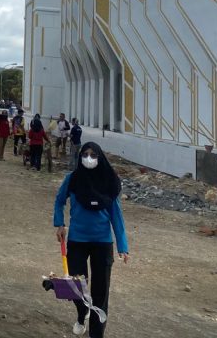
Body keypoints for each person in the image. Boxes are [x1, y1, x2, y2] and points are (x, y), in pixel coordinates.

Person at [53, 142, 129, 338]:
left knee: (100, 291)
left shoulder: (110, 182)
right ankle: (81, 313)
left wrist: (123, 246)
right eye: (85, 154)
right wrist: (59, 223)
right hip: (77, 240)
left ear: (100, 157)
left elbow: (116, 216)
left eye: (93, 155)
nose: (89, 158)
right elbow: (60, 200)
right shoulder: (73, 179)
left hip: (102, 243)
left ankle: (97, 334)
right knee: (77, 287)